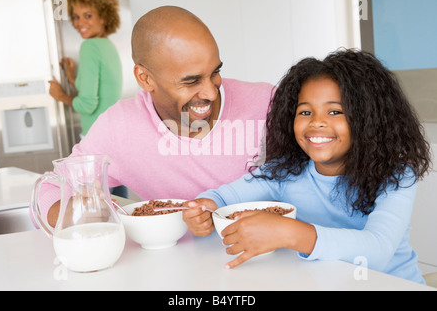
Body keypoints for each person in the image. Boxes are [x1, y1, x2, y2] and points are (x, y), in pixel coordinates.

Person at [184, 49, 431, 284]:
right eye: (305, 112)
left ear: (369, 119)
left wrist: (288, 233)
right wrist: (203, 209)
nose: (317, 123)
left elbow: (378, 250)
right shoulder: (285, 172)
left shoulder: (395, 174)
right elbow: (223, 196)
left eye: (335, 111)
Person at [32, 6, 274, 228]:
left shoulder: (267, 102)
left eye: (215, 72)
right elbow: (51, 188)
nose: (211, 92)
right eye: (191, 81)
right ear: (145, 78)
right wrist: (77, 212)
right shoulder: (120, 126)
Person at [48, 0, 127, 198]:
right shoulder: (106, 46)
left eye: (88, 15)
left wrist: (61, 95)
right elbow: (103, 92)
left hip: (95, 140)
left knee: (98, 206)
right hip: (113, 139)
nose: (80, 22)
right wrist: (74, 78)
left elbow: (88, 104)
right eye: (76, 16)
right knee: (117, 200)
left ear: (104, 16)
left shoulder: (90, 47)